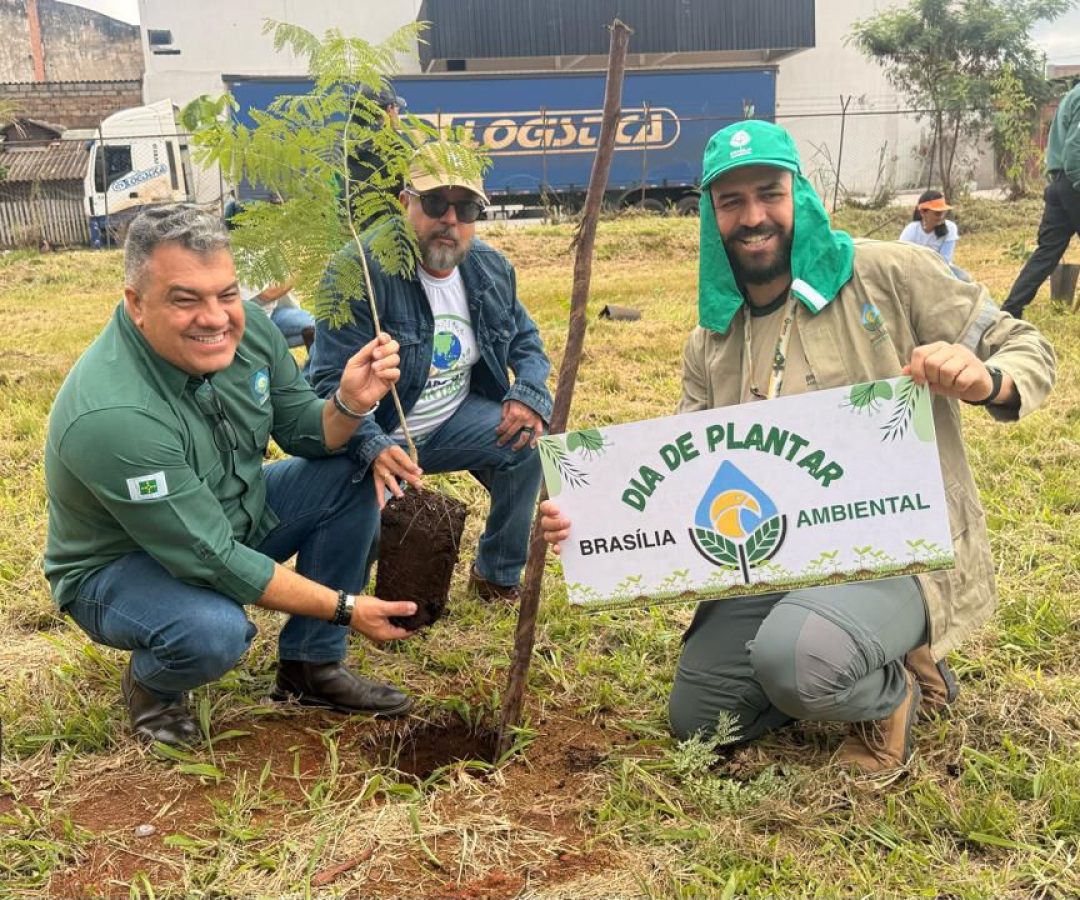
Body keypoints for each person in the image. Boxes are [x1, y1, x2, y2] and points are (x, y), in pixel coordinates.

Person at [541, 120, 1055, 773]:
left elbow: (1025, 345)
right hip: (779, 557)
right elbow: (677, 482)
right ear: (712, 215)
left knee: (797, 657)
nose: (753, 217)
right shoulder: (712, 341)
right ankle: (851, 647)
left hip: (903, 551)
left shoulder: (887, 273)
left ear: (799, 196)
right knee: (701, 720)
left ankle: (887, 696)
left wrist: (988, 379)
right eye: (731, 202)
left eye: (768, 193)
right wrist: (590, 519)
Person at [45, 204, 421, 747]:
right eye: (185, 299)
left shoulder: (250, 334)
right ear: (136, 303)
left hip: (227, 512)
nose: (216, 318)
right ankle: (152, 686)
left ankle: (310, 667)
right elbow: (212, 556)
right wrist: (346, 607)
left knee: (352, 469)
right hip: (120, 564)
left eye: (225, 293)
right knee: (213, 631)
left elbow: (306, 432)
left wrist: (348, 403)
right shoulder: (114, 415)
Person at [310, 142, 552, 601]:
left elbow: (526, 340)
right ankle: (340, 598)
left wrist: (529, 392)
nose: (450, 220)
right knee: (355, 558)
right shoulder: (358, 271)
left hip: (450, 422)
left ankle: (496, 575)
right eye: (436, 203)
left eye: (466, 208)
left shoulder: (490, 269)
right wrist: (371, 445)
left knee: (527, 442)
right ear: (406, 203)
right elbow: (324, 382)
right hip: (377, 434)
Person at [1002, 80, 1080, 319]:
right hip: (1074, 182)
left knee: (1047, 252)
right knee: (1047, 251)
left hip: (1058, 184)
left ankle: (1010, 310)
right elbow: (1074, 150)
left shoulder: (1072, 95)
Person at [898, 190, 967, 279]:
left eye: (943, 212)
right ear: (923, 212)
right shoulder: (911, 230)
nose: (942, 217)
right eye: (937, 213)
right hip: (914, 273)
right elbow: (901, 257)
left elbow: (945, 261)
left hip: (941, 272)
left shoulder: (951, 228)